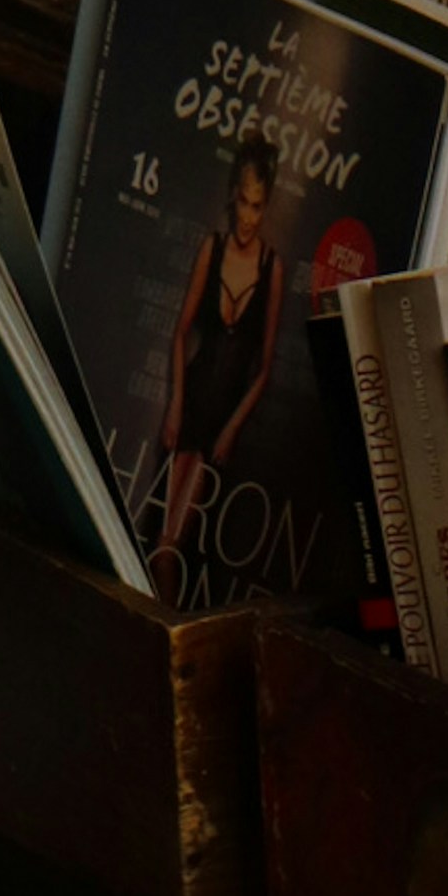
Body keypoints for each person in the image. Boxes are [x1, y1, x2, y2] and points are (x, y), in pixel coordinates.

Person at [158, 130, 286, 584]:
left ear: (265, 206)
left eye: (258, 206)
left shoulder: (272, 269)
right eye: (244, 202)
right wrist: (175, 404)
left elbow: (264, 367)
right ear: (234, 196)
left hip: (224, 414)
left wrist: (232, 428)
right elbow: (180, 332)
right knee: (164, 546)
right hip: (193, 400)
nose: (249, 216)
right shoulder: (212, 248)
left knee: (175, 545)